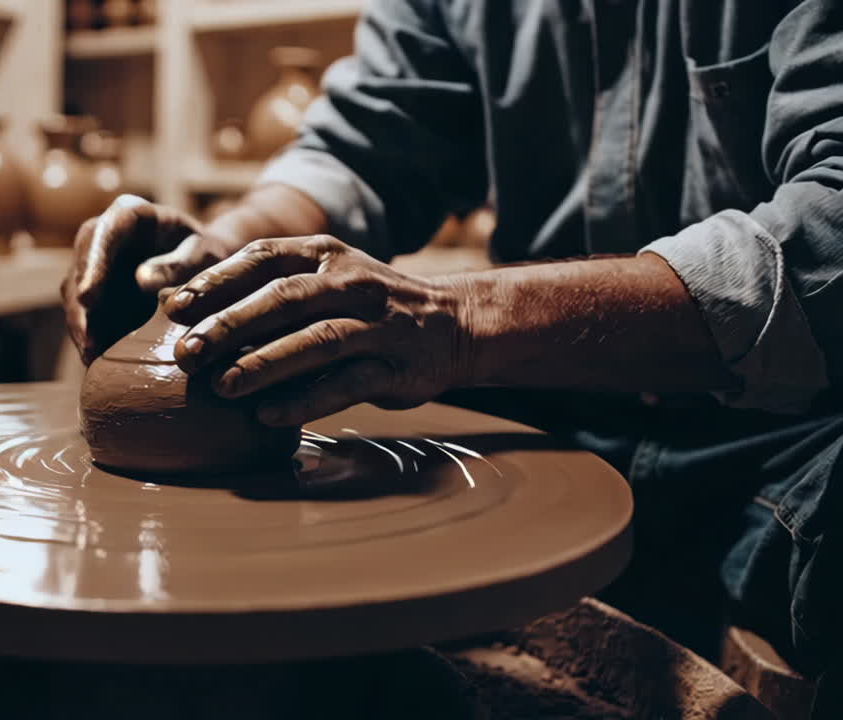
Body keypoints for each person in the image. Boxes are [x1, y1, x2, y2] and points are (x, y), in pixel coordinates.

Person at [61, 0, 840, 712]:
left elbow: (830, 224)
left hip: (772, 441)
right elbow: (361, 150)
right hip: (543, 404)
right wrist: (231, 250)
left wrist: (462, 320)